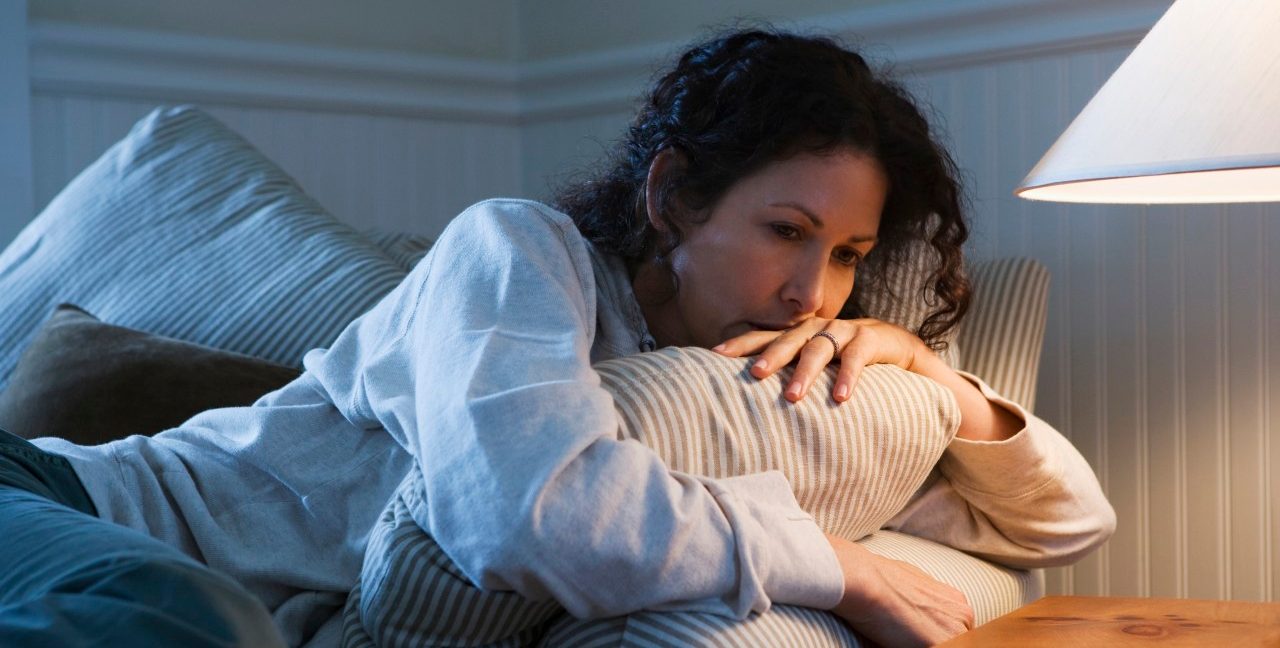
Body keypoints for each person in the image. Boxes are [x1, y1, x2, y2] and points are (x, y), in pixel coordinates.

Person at [3, 28, 1115, 648]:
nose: (808, 292)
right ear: (673, 196)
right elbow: (521, 513)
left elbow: (1064, 522)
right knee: (188, 623)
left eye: (843, 254)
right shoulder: (517, 256)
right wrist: (834, 564)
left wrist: (947, 390)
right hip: (56, 504)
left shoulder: (755, 380)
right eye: (785, 232)